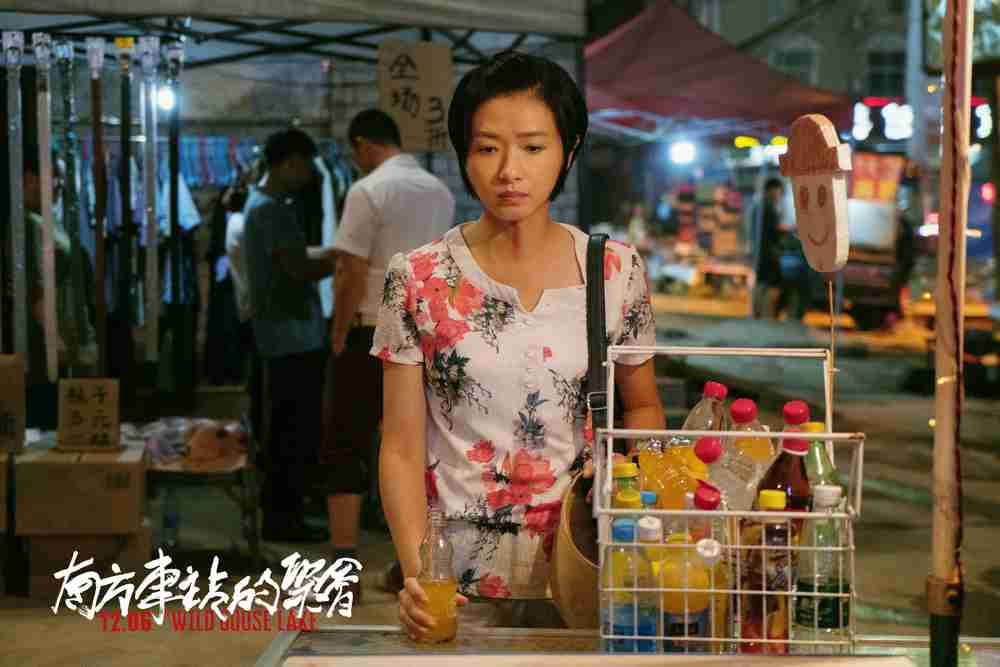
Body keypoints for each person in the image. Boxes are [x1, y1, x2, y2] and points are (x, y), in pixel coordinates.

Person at [373, 50, 666, 637]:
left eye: (533, 147)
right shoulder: (418, 277)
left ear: (569, 150)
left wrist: (641, 503)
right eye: (488, 149)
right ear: (465, 155)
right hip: (458, 582)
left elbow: (641, 408)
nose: (509, 170)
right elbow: (401, 447)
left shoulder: (614, 270)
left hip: (586, 565)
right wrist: (419, 576)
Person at [323, 109, 455, 597]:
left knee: (346, 441)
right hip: (430, 334)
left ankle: (343, 571)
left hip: (370, 330)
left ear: (362, 144)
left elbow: (350, 272)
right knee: (419, 446)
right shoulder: (439, 192)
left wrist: (338, 334)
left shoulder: (367, 190)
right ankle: (412, 563)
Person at [243, 128, 336, 543]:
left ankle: (285, 512)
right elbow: (297, 267)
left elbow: (294, 258)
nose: (310, 175)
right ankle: (285, 518)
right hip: (291, 337)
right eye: (306, 165)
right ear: (289, 163)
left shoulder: (263, 204)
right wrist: (346, 260)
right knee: (292, 431)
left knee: (286, 427)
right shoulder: (272, 211)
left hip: (282, 335)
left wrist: (327, 255)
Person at [20, 146, 97, 426]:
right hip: (48, 350)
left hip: (67, 341)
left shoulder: (48, 220)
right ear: (30, 178)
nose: (60, 185)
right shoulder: (28, 224)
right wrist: (56, 342)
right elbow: (35, 290)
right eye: (56, 176)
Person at [751, 177, 785, 318]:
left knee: (761, 283)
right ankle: (766, 316)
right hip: (768, 254)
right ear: (771, 190)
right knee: (770, 285)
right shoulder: (767, 208)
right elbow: (774, 232)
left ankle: (758, 315)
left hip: (760, 253)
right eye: (778, 192)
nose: (779, 196)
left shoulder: (759, 207)